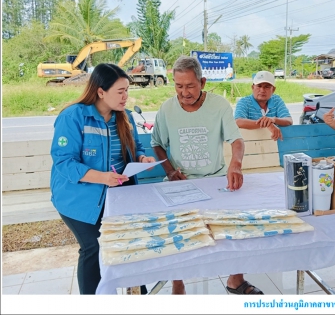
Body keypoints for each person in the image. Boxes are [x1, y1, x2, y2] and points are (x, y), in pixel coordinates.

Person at [150, 56, 263, 295]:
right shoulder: (167, 109)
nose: (184, 92)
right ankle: (178, 282)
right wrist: (170, 171)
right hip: (182, 182)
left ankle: (236, 279)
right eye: (178, 86)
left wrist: (236, 164)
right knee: (179, 231)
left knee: (234, 226)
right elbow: (157, 143)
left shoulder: (219, 105)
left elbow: (237, 140)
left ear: (202, 82)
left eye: (190, 86)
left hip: (215, 179)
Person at [50, 63, 156, 294]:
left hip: (118, 193)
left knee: (131, 242)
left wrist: (142, 158)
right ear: (100, 91)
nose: (125, 96)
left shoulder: (125, 117)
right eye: (120, 91)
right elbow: (64, 161)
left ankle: (137, 294)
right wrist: (102, 178)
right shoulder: (73, 117)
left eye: (127, 90)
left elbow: (135, 147)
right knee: (93, 248)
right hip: (79, 196)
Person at [234, 70, 293, 141]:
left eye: (267, 87)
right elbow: (238, 121)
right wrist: (268, 124)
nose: (262, 90)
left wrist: (273, 119)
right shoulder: (244, 102)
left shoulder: (277, 100)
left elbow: (289, 120)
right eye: (259, 86)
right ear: (253, 87)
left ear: (273, 89)